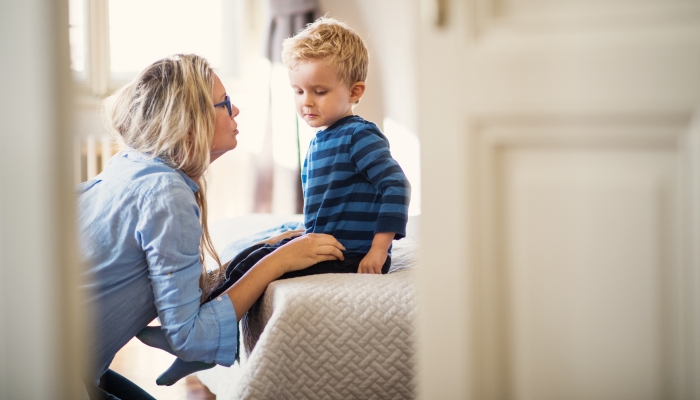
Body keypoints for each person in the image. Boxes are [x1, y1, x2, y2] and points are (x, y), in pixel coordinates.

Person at [139, 16, 412, 387]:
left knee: (261, 268)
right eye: (298, 91)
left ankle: (197, 345)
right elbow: (335, 199)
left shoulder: (359, 137)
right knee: (251, 254)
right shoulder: (324, 138)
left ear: (355, 91)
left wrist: (378, 249)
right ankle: (194, 335)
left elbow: (396, 185)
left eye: (319, 91)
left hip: (349, 253)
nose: (306, 102)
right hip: (328, 241)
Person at [77, 54, 346, 400]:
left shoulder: (129, 165)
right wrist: (280, 261)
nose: (236, 112)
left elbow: (176, 284)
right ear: (190, 123)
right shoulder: (167, 193)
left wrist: (266, 248)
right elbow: (187, 335)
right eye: (225, 104)